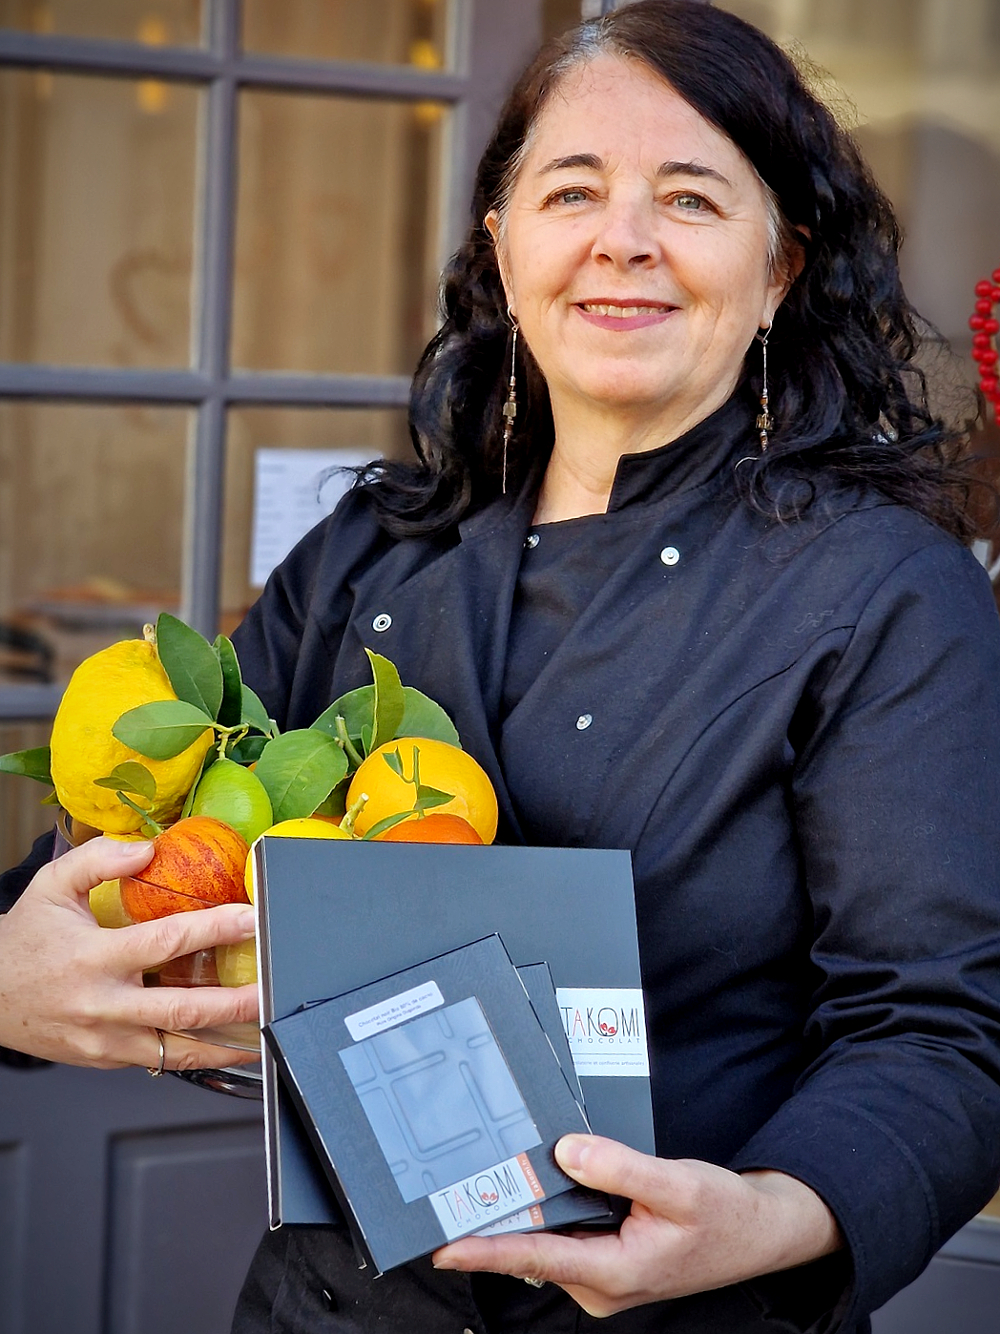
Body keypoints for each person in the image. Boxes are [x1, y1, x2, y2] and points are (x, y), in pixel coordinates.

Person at [2, 2, 1000, 1330]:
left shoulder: (883, 594)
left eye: (691, 197)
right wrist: (17, 967)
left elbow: (942, 1033)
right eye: (571, 189)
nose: (621, 238)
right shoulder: (373, 552)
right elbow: (159, 841)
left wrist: (772, 1208)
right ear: (503, 242)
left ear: (779, 269)